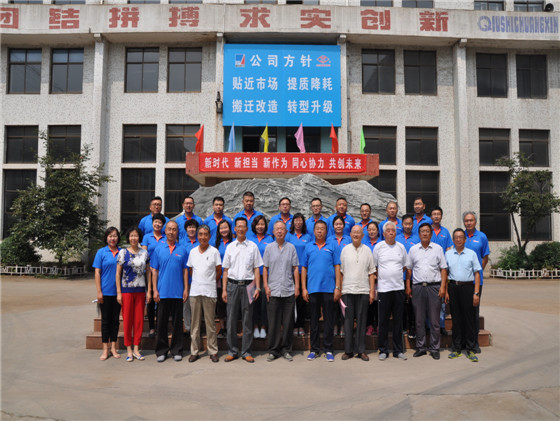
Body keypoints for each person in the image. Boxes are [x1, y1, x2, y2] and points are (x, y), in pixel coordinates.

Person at [222, 217, 263, 363]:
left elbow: (256, 268)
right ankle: (232, 351)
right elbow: (225, 270)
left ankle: (246, 351)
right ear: (235, 229)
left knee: (247, 319)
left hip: (248, 285)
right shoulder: (230, 247)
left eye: (243, 226)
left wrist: (258, 287)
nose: (240, 229)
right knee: (231, 320)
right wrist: (224, 290)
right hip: (232, 285)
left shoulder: (253, 246)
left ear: (246, 229)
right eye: (238, 226)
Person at [405, 223, 448, 360]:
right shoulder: (413, 249)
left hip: (434, 287)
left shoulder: (438, 249)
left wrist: (443, 287)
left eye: (427, 231)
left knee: (435, 320)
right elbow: (409, 269)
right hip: (418, 287)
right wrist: (408, 286)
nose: (424, 234)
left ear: (431, 234)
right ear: (419, 234)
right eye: (422, 231)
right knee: (419, 319)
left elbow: (443, 269)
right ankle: (421, 347)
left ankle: (435, 348)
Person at [301, 220, 341, 362]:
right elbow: (303, 268)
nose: (319, 231)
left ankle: (328, 349)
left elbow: (337, 267)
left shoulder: (332, 246)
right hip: (313, 289)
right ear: (314, 231)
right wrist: (304, 288)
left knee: (329, 320)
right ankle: (314, 349)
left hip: (329, 288)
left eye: (322, 229)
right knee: (313, 320)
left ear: (326, 231)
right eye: (317, 228)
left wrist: (337, 287)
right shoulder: (308, 247)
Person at [151, 220, 189, 362]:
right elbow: (154, 271)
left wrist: (186, 289)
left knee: (177, 323)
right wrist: (154, 290)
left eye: (174, 229)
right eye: (169, 229)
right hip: (162, 292)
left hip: (178, 292)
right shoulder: (158, 249)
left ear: (177, 232)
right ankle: (161, 351)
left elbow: (185, 271)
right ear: (165, 231)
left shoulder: (182, 249)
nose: (171, 232)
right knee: (161, 323)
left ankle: (177, 350)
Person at [263, 221, 300, 362]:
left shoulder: (291, 248)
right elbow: (265, 268)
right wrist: (266, 286)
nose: (279, 231)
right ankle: (273, 350)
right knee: (273, 323)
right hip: (273, 290)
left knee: (288, 322)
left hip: (288, 289)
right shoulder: (269, 248)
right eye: (277, 229)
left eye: (282, 229)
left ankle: (286, 350)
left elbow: (295, 268)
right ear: (273, 232)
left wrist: (297, 287)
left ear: (286, 232)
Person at [339, 226, 376, 361]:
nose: (356, 234)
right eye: (354, 232)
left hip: (363, 290)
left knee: (362, 321)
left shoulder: (367, 250)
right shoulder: (345, 250)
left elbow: (371, 273)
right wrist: (340, 289)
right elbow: (340, 272)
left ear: (362, 235)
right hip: (347, 290)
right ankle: (348, 351)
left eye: (358, 232)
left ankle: (361, 350)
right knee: (348, 321)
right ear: (350, 234)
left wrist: (371, 291)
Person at [372, 221, 408, 361]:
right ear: (384, 233)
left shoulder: (401, 247)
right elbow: (375, 267)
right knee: (383, 321)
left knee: (398, 320)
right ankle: (383, 350)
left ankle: (398, 350)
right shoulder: (379, 247)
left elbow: (404, 266)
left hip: (398, 288)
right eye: (388, 230)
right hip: (384, 289)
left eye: (393, 230)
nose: (391, 232)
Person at [445, 228, 482, 363]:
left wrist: (476, 293)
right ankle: (456, 348)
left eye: (461, 237)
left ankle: (471, 349)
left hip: (468, 288)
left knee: (469, 319)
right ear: (453, 240)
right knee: (456, 319)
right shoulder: (448, 254)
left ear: (465, 239)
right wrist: (446, 291)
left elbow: (477, 274)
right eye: (456, 237)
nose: (459, 239)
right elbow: (445, 273)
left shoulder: (471, 254)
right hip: (453, 287)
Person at [187, 225, 222, 363]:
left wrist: (210, 281)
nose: (203, 237)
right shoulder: (193, 252)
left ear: (209, 236)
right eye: (200, 234)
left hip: (210, 292)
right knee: (195, 324)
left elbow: (218, 271)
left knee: (210, 324)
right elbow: (191, 271)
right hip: (195, 291)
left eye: (205, 234)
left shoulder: (214, 252)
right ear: (197, 236)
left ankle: (213, 351)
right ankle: (194, 351)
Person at [116, 227, 150, 362]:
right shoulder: (123, 252)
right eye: (131, 236)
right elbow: (118, 273)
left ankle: (136, 348)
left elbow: (148, 272)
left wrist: (149, 290)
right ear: (128, 238)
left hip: (140, 291)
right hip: (126, 291)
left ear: (139, 237)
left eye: (136, 236)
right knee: (127, 320)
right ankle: (129, 349)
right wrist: (119, 292)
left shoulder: (144, 253)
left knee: (139, 320)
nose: (133, 238)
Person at [93, 227, 122, 361]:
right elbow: (97, 273)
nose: (112, 238)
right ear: (106, 238)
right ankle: (105, 349)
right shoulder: (101, 252)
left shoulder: (122, 252)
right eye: (110, 236)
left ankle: (113, 348)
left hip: (118, 293)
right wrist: (99, 291)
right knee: (105, 322)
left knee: (115, 321)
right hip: (105, 292)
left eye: (115, 236)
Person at [463, 211, 490, 354]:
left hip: (475, 282)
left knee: (474, 312)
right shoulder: (460, 236)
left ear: (475, 221)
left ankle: (474, 342)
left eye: (471, 220)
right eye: (466, 220)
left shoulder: (482, 237)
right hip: (462, 281)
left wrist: (477, 272)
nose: (468, 223)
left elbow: (485, 258)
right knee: (462, 311)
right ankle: (463, 342)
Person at [141, 213, 167, 338]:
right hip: (150, 271)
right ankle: (152, 328)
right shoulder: (147, 237)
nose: (157, 224)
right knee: (150, 299)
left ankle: (161, 327)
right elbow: (143, 254)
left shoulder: (166, 237)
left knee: (162, 300)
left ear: (163, 225)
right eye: (155, 222)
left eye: (160, 222)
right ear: (152, 223)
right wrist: (149, 266)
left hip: (163, 272)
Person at [286, 212, 312, 337]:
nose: (298, 222)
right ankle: (292, 325)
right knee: (291, 300)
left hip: (304, 272)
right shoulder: (288, 236)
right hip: (290, 272)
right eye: (296, 220)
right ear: (293, 222)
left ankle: (300, 325)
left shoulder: (308, 236)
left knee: (302, 300)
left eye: (300, 220)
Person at [248, 215, 273, 339]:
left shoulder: (270, 239)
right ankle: (254, 326)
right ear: (254, 226)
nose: (260, 226)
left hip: (265, 275)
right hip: (251, 275)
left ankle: (263, 326)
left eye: (262, 224)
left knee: (264, 301)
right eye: (258, 224)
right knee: (252, 301)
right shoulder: (249, 239)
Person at [430, 206, 453, 336]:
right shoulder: (427, 231)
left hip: (442, 269)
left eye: (438, 214)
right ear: (431, 216)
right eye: (434, 214)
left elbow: (449, 249)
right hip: (430, 269)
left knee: (442, 298)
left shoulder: (445, 232)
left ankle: (442, 325)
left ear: (441, 216)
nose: (436, 216)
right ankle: (429, 326)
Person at [327, 215, 352, 337]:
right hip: (332, 273)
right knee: (334, 300)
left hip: (346, 273)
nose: (338, 226)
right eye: (336, 224)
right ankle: (335, 325)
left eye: (340, 224)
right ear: (333, 226)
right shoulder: (329, 240)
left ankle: (343, 325)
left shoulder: (348, 239)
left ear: (344, 225)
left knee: (344, 300)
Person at [396, 214, 419, 340]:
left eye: (410, 224)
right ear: (402, 224)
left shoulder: (417, 238)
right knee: (400, 303)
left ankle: (412, 327)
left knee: (412, 303)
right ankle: (402, 327)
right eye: (405, 223)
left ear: (413, 225)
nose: (408, 226)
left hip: (413, 276)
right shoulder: (397, 238)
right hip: (398, 277)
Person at [215, 219, 233, 339]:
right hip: (219, 277)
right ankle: (222, 327)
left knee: (231, 302)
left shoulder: (234, 242)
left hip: (232, 276)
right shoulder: (216, 243)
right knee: (220, 302)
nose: (224, 230)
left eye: (226, 227)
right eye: (221, 228)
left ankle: (231, 326)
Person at [181, 218, 200, 337]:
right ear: (186, 229)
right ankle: (188, 328)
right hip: (185, 278)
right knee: (186, 304)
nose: (191, 229)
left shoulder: (201, 242)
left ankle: (196, 328)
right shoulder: (182, 243)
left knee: (197, 305)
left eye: (193, 227)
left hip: (198, 278)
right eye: (189, 227)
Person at [362, 221, 380, 336]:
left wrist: (377, 274)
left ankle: (378, 325)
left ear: (378, 231)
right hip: (366, 278)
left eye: (374, 229)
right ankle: (369, 325)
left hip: (380, 279)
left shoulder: (382, 243)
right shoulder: (364, 244)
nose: (372, 232)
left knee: (378, 304)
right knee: (368, 303)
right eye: (370, 230)